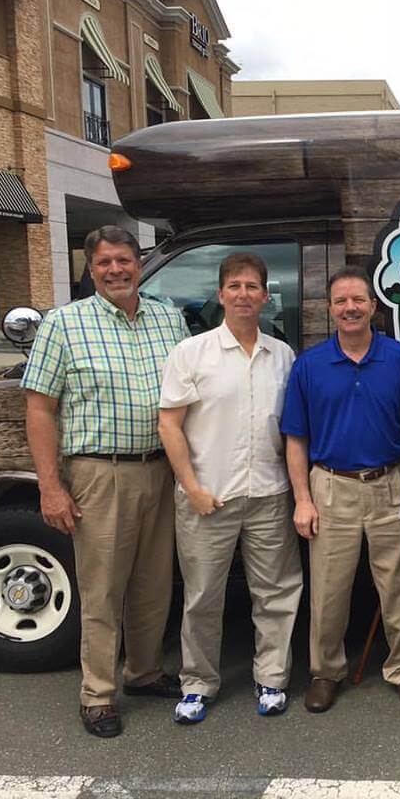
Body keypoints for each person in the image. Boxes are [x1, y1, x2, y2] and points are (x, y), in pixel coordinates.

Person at [21, 225, 188, 738]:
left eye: (124, 260)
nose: (116, 270)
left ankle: (144, 671)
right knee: (103, 588)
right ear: (89, 270)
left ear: (139, 263)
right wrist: (51, 486)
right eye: (104, 263)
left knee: (154, 583)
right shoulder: (64, 325)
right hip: (100, 471)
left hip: (161, 467)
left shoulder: (169, 317)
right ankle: (97, 693)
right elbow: (40, 409)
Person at [158, 252, 304, 724]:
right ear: (220, 294)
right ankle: (198, 684)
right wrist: (192, 487)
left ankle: (272, 679)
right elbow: (170, 426)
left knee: (277, 592)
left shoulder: (281, 354)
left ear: (266, 295)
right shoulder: (191, 353)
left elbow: (291, 430)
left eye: (252, 286)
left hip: (268, 494)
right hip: (207, 498)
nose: (244, 294)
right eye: (235, 286)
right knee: (202, 596)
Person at [282, 265, 400, 712]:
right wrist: (302, 500)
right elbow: (295, 438)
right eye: (341, 301)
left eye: (358, 300)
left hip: (390, 482)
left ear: (373, 306)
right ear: (330, 309)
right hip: (330, 487)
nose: (350, 308)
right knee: (328, 589)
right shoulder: (309, 365)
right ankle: (326, 672)